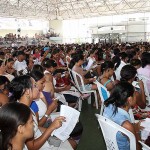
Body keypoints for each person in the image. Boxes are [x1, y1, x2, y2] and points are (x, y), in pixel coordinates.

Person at [9, 75, 75, 150]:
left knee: (72, 142)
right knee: (72, 143)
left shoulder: (27, 107)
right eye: (35, 86)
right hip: (39, 146)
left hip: (41, 137)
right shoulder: (22, 114)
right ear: (27, 91)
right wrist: (51, 128)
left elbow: (36, 127)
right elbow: (32, 147)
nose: (39, 89)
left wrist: (54, 132)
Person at [103, 82, 141, 150]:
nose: (136, 96)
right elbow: (136, 148)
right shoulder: (126, 125)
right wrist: (137, 131)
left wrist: (133, 127)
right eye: (134, 94)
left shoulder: (108, 106)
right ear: (129, 99)